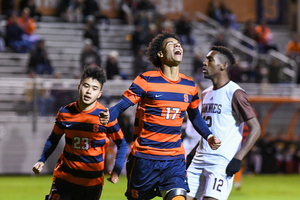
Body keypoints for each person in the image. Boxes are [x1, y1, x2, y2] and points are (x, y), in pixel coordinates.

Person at [99, 32, 221, 200]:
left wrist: (209, 136)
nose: (178, 45)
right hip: (144, 159)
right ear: (161, 54)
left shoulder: (190, 85)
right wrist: (108, 114)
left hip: (174, 160)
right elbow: (121, 105)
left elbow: (195, 117)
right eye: (171, 44)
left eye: (179, 44)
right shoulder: (146, 80)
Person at [32, 65, 128, 200]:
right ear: (79, 87)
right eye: (86, 86)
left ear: (99, 94)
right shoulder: (65, 112)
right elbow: (53, 139)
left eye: (94, 89)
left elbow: (122, 144)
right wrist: (42, 159)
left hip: (92, 185)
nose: (89, 91)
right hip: (65, 180)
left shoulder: (106, 117)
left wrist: (117, 170)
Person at [186, 46, 261, 200]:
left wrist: (238, 158)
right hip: (199, 159)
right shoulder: (206, 93)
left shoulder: (235, 92)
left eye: (210, 60)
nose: (205, 63)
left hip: (221, 162)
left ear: (223, 65)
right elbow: (208, 130)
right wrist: (192, 154)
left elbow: (256, 128)